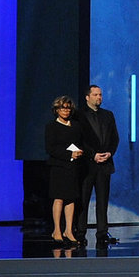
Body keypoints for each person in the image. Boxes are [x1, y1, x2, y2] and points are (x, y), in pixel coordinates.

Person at [75, 83, 121, 245]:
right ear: (87, 97)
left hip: (105, 163)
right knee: (83, 199)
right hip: (87, 164)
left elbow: (115, 137)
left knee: (103, 200)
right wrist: (92, 155)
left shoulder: (108, 115)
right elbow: (79, 140)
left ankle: (102, 232)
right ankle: (80, 232)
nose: (99, 97)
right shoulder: (79, 115)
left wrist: (109, 152)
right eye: (95, 95)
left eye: (100, 94)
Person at [44, 96, 85, 244]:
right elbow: (50, 148)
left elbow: (80, 143)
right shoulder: (51, 126)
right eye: (63, 108)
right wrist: (69, 154)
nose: (66, 111)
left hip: (73, 166)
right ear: (56, 110)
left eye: (68, 108)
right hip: (58, 166)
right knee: (59, 197)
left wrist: (79, 152)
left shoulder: (76, 126)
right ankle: (57, 230)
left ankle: (68, 230)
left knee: (71, 198)